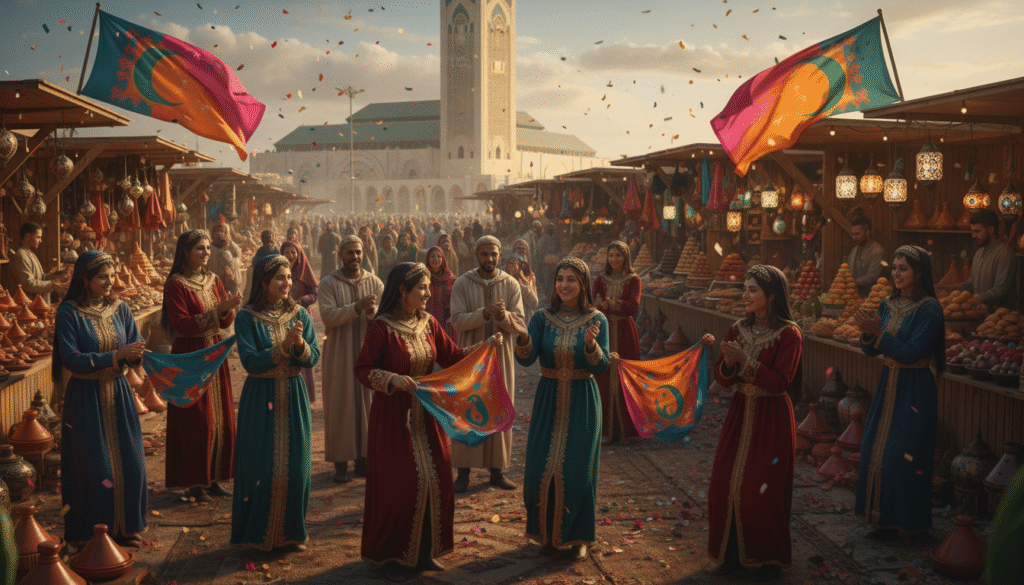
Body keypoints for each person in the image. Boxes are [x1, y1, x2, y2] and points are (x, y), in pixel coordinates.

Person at [355, 262, 486, 581]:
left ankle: (425, 551)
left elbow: (454, 357)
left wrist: (483, 349)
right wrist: (391, 379)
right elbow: (362, 369)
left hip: (427, 415)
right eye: (422, 288)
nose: (429, 294)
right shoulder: (381, 327)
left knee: (436, 478)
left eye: (428, 287)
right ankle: (392, 554)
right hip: (393, 418)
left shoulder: (429, 323)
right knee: (400, 486)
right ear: (402, 290)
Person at [509, 257, 609, 562]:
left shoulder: (597, 320)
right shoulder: (542, 318)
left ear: (583, 284)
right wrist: (523, 336)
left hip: (582, 400)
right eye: (560, 279)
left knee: (578, 471)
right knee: (541, 468)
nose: (564, 285)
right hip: (548, 400)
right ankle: (547, 535)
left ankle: (579, 538)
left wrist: (591, 346)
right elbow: (526, 359)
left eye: (571, 280)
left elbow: (602, 366)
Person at [709, 265, 801, 581]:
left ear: (771, 296)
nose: (745, 296)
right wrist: (728, 363)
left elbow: (780, 382)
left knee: (760, 489)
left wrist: (745, 361)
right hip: (740, 413)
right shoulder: (736, 329)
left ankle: (767, 557)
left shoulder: (789, 334)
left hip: (771, 418)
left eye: (752, 290)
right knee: (723, 484)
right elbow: (722, 378)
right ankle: (731, 552)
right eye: (744, 289)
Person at [54, 251, 148, 546]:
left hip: (119, 394)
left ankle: (126, 528)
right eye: (102, 277)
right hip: (86, 398)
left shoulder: (121, 309)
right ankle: (92, 535)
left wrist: (136, 357)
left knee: (132, 463)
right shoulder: (68, 313)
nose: (110, 282)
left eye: (112, 275)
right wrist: (115, 356)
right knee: (96, 468)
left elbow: (133, 344)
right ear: (85, 279)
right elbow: (71, 359)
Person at [853, 245, 944, 542]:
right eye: (893, 268)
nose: (896, 273)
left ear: (919, 273)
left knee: (904, 457)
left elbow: (912, 352)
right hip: (888, 383)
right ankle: (884, 522)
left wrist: (878, 335)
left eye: (903, 268)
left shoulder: (929, 309)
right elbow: (871, 349)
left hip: (914, 388)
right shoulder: (887, 303)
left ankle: (911, 525)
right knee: (875, 452)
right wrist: (867, 333)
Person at [231, 254, 321, 552]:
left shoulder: (300, 314)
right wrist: (282, 346)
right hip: (260, 398)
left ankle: (293, 532)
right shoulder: (246, 317)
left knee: (297, 467)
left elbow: (313, 357)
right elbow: (250, 362)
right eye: (280, 277)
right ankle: (257, 535)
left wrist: (300, 344)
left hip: (293, 395)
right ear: (263, 282)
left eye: (289, 277)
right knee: (262, 468)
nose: (287, 283)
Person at [161, 230, 242, 503]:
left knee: (220, 418)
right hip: (190, 354)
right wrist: (217, 311)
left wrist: (227, 309)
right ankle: (195, 482)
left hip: (214, 351)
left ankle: (214, 478)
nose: (206, 252)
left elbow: (224, 321)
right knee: (197, 420)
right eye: (200, 248)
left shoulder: (214, 280)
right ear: (185, 252)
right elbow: (181, 324)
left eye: (208, 248)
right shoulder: (175, 284)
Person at [450, 236, 524, 493]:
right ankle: (463, 472)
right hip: (472, 357)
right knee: (468, 407)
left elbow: (519, 322)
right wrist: (483, 313)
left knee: (498, 406)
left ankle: (497, 470)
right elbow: (457, 320)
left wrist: (503, 316)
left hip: (500, 358)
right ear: (476, 255)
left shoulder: (511, 284)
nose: (489, 258)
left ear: (500, 255)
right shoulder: (462, 283)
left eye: (493, 254)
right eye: (484, 254)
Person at [320, 236, 384, 484]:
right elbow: (327, 317)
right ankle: (340, 463)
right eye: (349, 253)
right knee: (341, 404)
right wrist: (356, 307)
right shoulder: (328, 283)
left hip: (368, 353)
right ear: (340, 255)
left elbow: (384, 318)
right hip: (340, 352)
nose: (354, 257)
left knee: (367, 404)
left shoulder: (375, 282)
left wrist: (371, 312)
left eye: (358, 252)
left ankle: (363, 460)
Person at [592, 241, 642, 444]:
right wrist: (601, 306)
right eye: (611, 255)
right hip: (603, 331)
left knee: (625, 376)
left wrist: (611, 304)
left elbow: (633, 306)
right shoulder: (600, 279)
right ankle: (605, 431)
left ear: (625, 257)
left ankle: (626, 431)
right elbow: (593, 303)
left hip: (624, 332)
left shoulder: (634, 280)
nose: (614, 259)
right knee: (602, 376)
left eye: (618, 255)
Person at [953, 209, 1017, 309]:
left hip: (999, 315)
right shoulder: (979, 253)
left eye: (977, 231)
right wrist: (952, 289)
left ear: (991, 230)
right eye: (972, 231)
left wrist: (976, 299)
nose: (973, 235)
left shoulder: (1005, 254)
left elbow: (1000, 290)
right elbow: (972, 282)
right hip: (979, 313)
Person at [281, 241, 319, 403]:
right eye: (286, 252)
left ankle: (304, 395)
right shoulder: (277, 272)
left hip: (302, 319)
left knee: (303, 352)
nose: (290, 256)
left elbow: (314, 294)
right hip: (281, 318)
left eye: (293, 252)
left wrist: (301, 301)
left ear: (299, 255)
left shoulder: (304, 271)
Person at [12, 222, 68, 300]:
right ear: (28, 236)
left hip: (38, 303)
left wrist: (55, 275)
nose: (40, 241)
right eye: (38, 237)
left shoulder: (29, 253)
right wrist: (53, 285)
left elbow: (40, 278)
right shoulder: (21, 256)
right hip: (30, 304)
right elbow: (29, 284)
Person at [848, 216, 886, 299]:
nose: (854, 237)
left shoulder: (877, 251)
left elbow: (871, 277)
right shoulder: (855, 249)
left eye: (857, 234)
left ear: (867, 232)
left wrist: (849, 283)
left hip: (873, 297)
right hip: (854, 296)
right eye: (852, 234)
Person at [425, 246, 457, 340]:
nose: (436, 259)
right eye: (432, 256)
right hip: (427, 319)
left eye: (439, 256)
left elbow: (455, 300)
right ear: (428, 259)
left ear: (443, 259)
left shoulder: (450, 279)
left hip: (446, 320)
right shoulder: (423, 277)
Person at [506, 239, 538, 323]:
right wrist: (524, 282)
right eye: (519, 248)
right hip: (519, 289)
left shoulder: (525, 260)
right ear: (515, 249)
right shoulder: (513, 261)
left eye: (523, 248)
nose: (521, 250)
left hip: (526, 289)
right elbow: (514, 275)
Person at [208, 222, 242, 296]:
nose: (220, 233)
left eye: (222, 231)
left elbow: (238, 253)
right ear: (213, 234)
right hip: (214, 284)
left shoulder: (227, 246)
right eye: (217, 231)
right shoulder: (209, 248)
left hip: (228, 285)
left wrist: (229, 240)